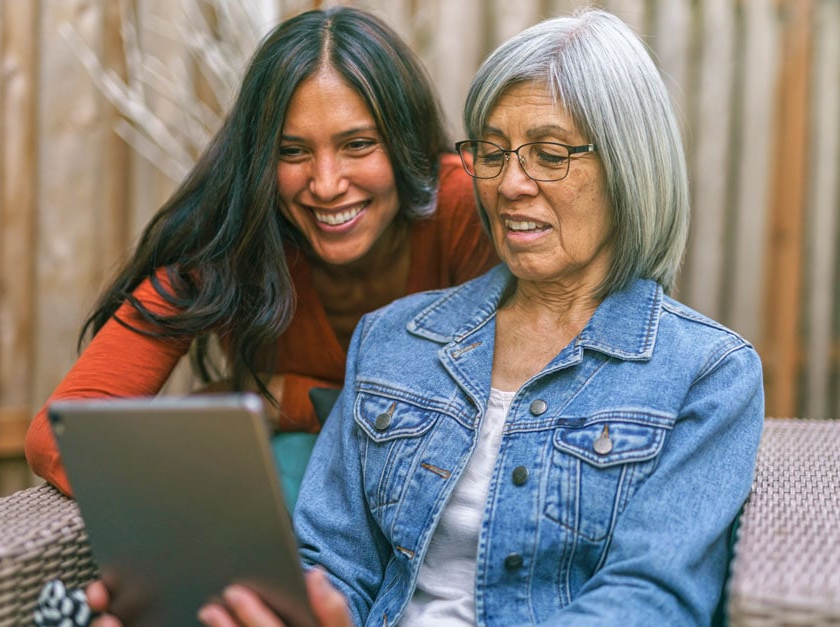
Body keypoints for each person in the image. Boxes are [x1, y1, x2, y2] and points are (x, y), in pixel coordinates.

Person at [186, 8, 764, 626]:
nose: (509, 183)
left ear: (629, 165)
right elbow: (332, 562)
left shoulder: (707, 373)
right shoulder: (393, 337)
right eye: (490, 153)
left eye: (548, 154)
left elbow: (651, 598)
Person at [24, 6, 497, 498]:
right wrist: (278, 411)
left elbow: (515, 422)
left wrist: (275, 398)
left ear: (407, 143)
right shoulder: (234, 242)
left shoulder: (466, 209)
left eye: (358, 145)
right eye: (292, 152)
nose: (327, 184)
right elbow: (60, 437)